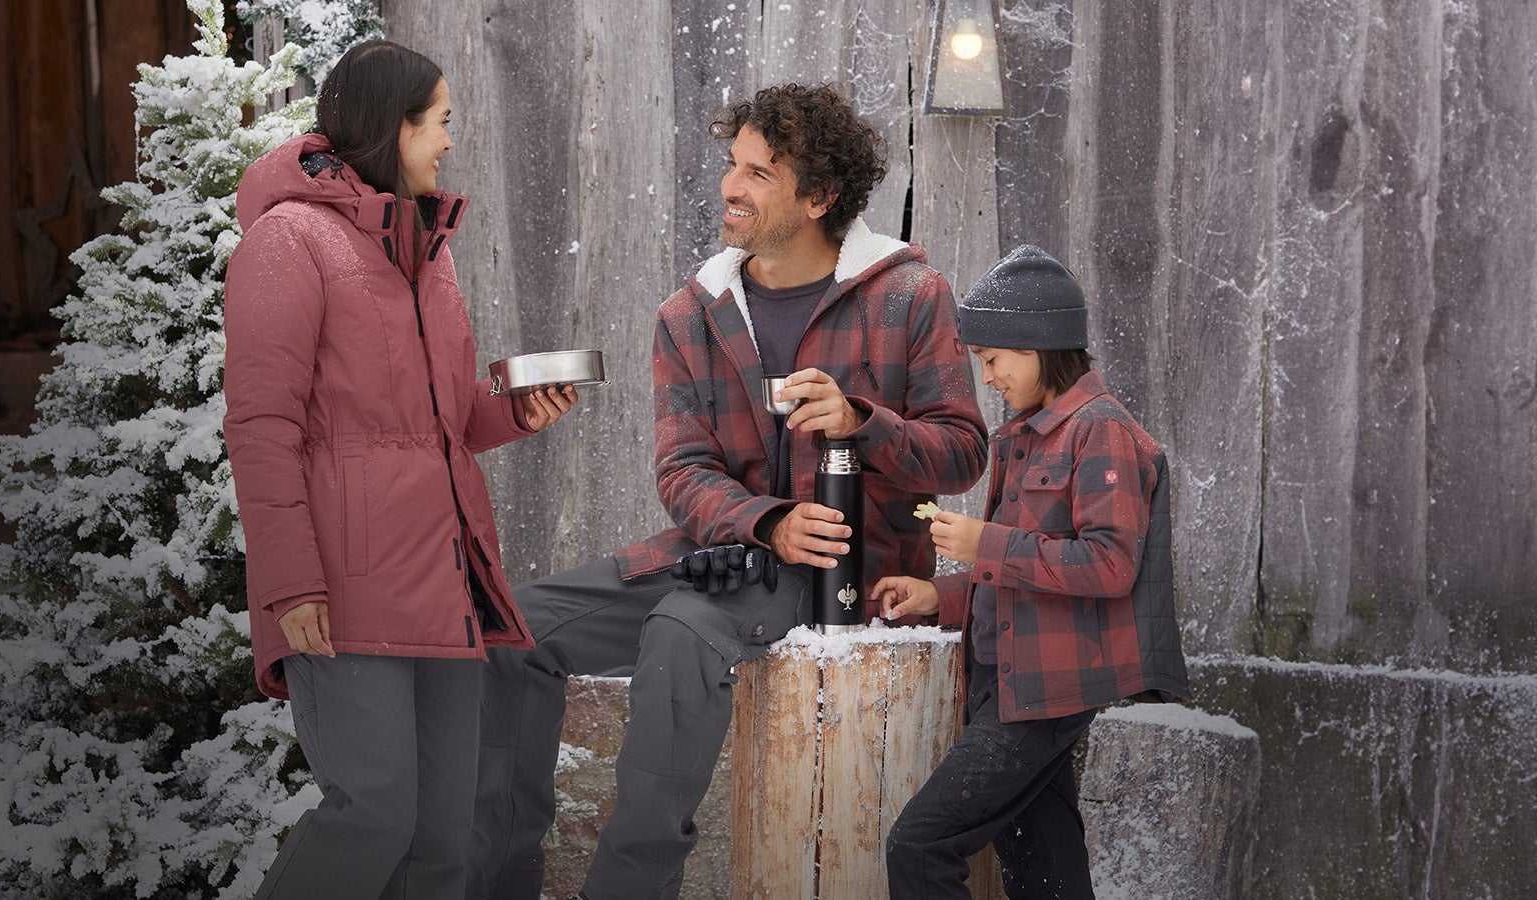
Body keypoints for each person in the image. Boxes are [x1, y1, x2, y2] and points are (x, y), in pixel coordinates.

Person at [469, 82, 989, 900]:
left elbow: (962, 455)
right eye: (732, 165)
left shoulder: (909, 296)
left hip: (839, 571)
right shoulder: (691, 312)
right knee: (515, 627)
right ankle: (495, 884)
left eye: (760, 173)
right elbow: (683, 470)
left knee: (682, 628)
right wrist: (764, 522)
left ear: (819, 197)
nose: (731, 187)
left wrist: (862, 421)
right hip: (727, 552)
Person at [221, 39, 578, 900]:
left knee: (441, 836)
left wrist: (514, 406)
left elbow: (436, 423)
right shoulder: (287, 242)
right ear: (395, 125)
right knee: (372, 813)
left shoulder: (424, 245)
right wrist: (289, 583)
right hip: (341, 585)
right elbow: (261, 428)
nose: (449, 142)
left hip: (442, 576)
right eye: (441, 122)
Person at [874, 245, 1191, 899]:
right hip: (1008, 683)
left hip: (1046, 691)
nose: (987, 376)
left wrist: (984, 541)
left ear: (1038, 345)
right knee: (1047, 879)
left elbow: (1108, 565)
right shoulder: (1028, 434)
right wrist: (939, 593)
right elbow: (1030, 574)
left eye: (993, 359)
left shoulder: (1100, 433)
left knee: (921, 845)